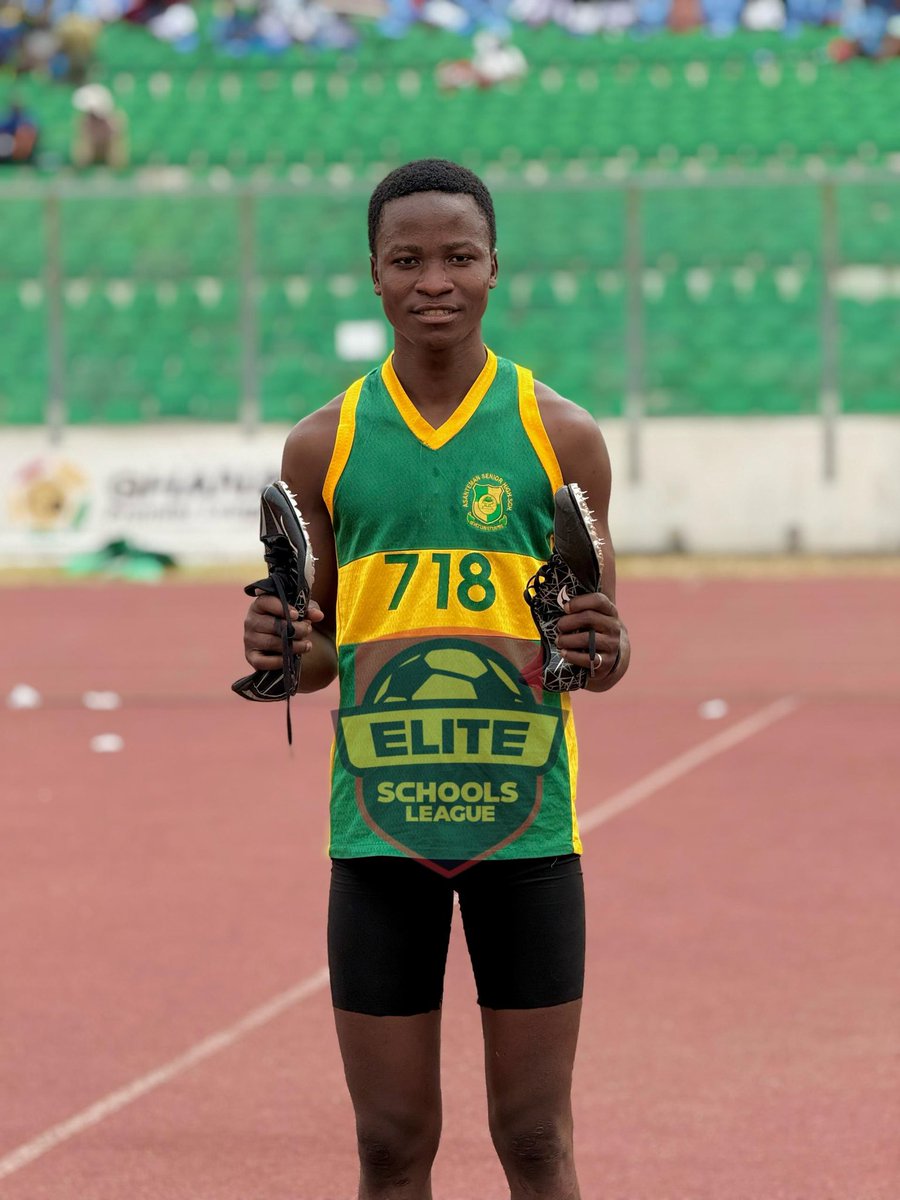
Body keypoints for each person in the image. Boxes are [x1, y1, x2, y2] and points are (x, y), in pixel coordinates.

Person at [241, 158, 630, 1200]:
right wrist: (280, 647)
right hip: (381, 831)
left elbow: (595, 654)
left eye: (459, 256)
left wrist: (606, 646)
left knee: (535, 1140)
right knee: (389, 1144)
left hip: (525, 828)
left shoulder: (562, 435)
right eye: (406, 260)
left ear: (495, 266)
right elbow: (318, 653)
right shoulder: (322, 444)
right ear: (373, 273)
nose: (434, 281)